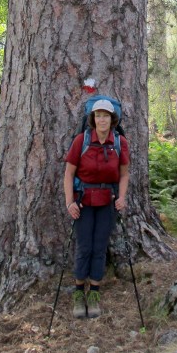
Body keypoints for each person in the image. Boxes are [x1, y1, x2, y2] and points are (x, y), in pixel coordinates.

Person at [63, 98, 129, 319]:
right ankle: (79, 292)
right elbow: (69, 174)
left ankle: (95, 294)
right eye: (98, 115)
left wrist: (122, 197)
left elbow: (124, 174)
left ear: (112, 119)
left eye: (106, 116)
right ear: (92, 118)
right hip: (83, 203)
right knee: (84, 248)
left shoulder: (119, 143)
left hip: (107, 202)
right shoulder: (81, 141)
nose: (102, 119)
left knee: (99, 248)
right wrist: (69, 202)